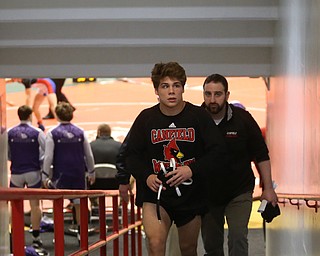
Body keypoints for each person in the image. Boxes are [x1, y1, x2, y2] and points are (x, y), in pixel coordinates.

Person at [125, 62, 226, 256]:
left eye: (176, 85)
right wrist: (146, 176)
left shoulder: (198, 117)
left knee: (188, 249)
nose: (171, 91)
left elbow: (218, 152)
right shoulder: (146, 119)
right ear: (156, 90)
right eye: (165, 86)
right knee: (155, 244)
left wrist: (191, 169)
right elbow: (131, 156)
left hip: (190, 194)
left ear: (183, 88)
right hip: (156, 195)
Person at [200, 74, 278, 256]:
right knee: (211, 245)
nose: (212, 99)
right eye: (208, 94)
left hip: (239, 191)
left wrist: (268, 188)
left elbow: (261, 154)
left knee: (237, 236)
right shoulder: (196, 120)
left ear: (227, 95)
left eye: (218, 94)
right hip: (207, 194)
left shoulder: (243, 119)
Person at [42, 102, 95, 243]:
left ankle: (58, 236)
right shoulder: (80, 132)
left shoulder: (53, 133)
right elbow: (88, 155)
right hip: (78, 173)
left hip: (61, 174)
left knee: (58, 204)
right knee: (79, 204)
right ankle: (81, 234)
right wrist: (91, 171)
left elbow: (48, 156)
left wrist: (45, 175)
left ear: (57, 116)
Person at [7, 105, 47, 253]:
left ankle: (11, 235)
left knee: (14, 205)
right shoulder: (37, 132)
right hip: (33, 172)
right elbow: (45, 151)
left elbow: (7, 153)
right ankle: (36, 238)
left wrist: (15, 160)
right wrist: (42, 167)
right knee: (35, 205)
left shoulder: (10, 132)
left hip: (16, 172)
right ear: (30, 115)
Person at [89, 123, 121, 208]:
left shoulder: (90, 146)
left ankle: (94, 203)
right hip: (116, 184)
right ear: (110, 133)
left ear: (98, 132)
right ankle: (122, 204)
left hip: (94, 184)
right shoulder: (119, 146)